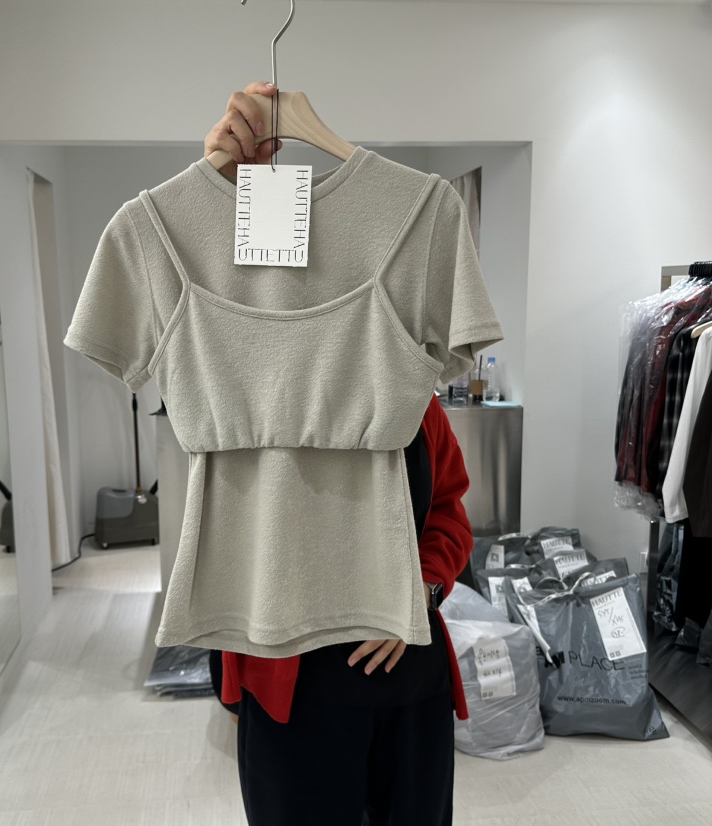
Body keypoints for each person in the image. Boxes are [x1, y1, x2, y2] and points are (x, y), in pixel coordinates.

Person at [204, 82, 474, 826]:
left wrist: (417, 595)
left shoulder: (413, 398)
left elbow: (449, 512)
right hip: (289, 681)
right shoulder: (246, 388)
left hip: (406, 675)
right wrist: (216, 188)